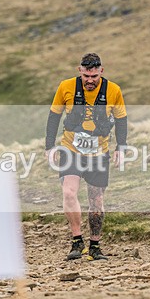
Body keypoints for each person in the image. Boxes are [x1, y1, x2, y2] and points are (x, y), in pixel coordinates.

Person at [45, 52, 128, 262]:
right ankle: (77, 241)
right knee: (68, 192)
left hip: (99, 153)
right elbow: (54, 116)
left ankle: (95, 246)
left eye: (94, 76)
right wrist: (49, 146)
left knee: (96, 199)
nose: (90, 81)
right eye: (86, 76)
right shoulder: (66, 87)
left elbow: (121, 120)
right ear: (79, 71)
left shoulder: (113, 90)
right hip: (70, 150)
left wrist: (121, 146)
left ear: (101, 71)